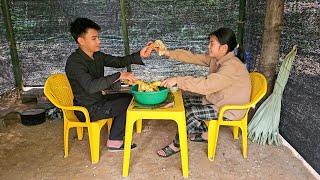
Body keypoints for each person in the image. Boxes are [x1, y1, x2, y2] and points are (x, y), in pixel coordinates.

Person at [155, 27, 251, 157]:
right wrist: (168, 53)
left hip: (228, 108)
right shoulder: (217, 59)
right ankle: (205, 133)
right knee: (182, 101)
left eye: (212, 43)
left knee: (190, 113)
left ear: (223, 48)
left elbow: (206, 86)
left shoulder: (231, 66)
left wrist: (178, 80)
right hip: (218, 99)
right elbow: (192, 57)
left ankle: (177, 145)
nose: (208, 46)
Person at [65, 17, 152, 151]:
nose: (99, 41)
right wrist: (119, 76)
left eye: (98, 37)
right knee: (127, 104)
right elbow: (91, 86)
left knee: (129, 98)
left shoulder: (96, 55)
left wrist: (139, 54)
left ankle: (115, 138)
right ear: (81, 41)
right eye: (94, 38)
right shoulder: (74, 63)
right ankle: (115, 142)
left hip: (97, 100)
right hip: (87, 109)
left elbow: (118, 61)